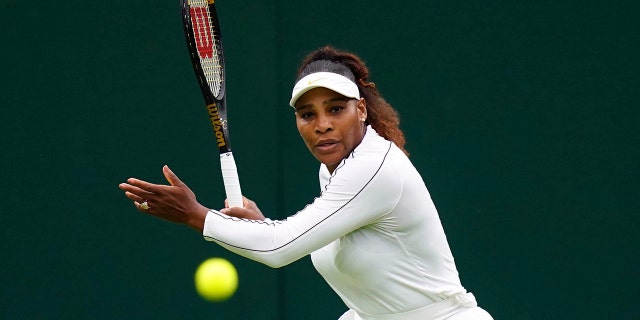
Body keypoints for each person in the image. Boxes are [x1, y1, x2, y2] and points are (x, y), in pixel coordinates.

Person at [119, 46, 494, 320]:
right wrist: (262, 227)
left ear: (361, 110)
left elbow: (280, 249)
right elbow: (302, 235)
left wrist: (194, 214)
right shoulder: (335, 167)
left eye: (335, 108)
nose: (322, 125)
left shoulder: (373, 169)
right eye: (307, 114)